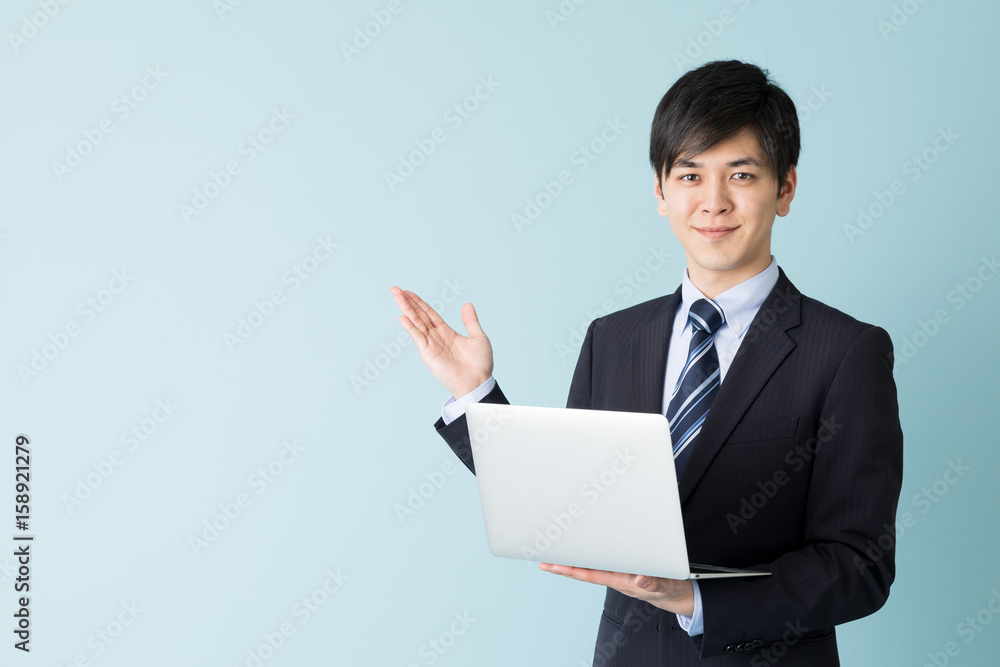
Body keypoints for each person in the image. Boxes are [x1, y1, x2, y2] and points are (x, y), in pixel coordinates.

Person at [391, 59, 903, 665]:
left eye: (740, 174)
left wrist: (695, 598)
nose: (713, 202)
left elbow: (858, 566)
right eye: (690, 175)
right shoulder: (613, 337)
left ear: (785, 188)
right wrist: (477, 394)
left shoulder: (847, 351)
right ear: (660, 192)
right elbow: (570, 502)